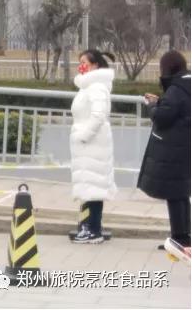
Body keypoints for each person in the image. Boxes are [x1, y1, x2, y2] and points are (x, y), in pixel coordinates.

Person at [138, 50, 191, 256]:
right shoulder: (187, 84)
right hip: (185, 147)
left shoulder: (176, 89)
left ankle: (179, 239)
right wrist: (161, 101)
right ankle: (184, 238)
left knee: (174, 194)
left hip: (175, 149)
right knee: (181, 194)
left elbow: (162, 117)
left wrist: (152, 105)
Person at [70, 49, 117, 244]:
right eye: (79, 62)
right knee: (88, 187)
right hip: (86, 146)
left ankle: (93, 229)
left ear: (95, 65)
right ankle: (87, 227)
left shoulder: (97, 87)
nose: (81, 66)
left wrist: (83, 136)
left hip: (93, 144)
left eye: (84, 62)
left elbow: (98, 116)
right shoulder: (87, 87)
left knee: (94, 188)